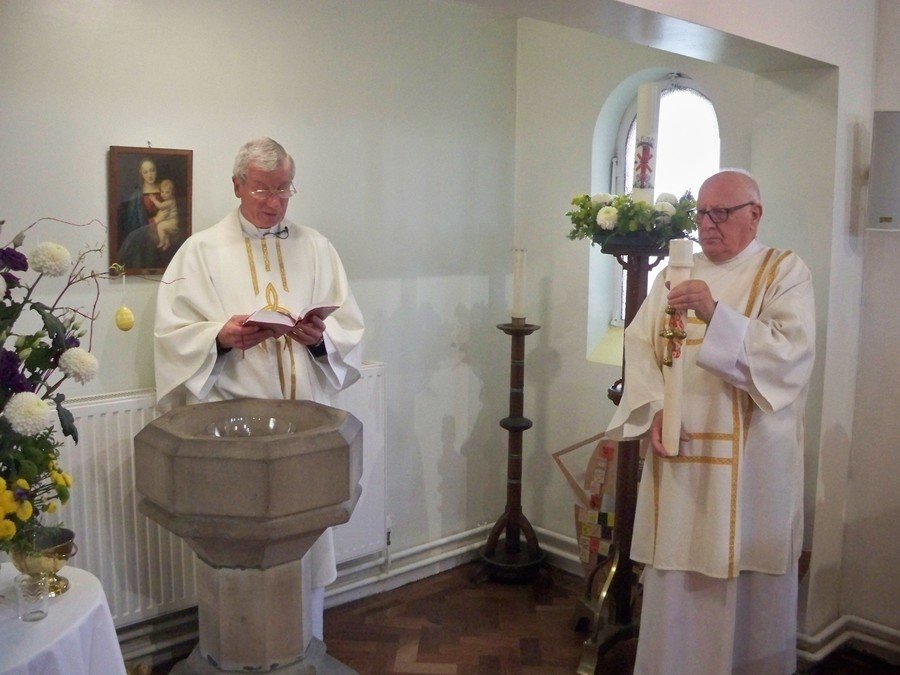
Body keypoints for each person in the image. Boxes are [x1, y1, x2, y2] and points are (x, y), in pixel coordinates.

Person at [153, 136, 365, 640]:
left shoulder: (316, 247)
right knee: (239, 554)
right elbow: (171, 336)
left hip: (304, 428)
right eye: (261, 189)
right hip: (233, 434)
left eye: (284, 189)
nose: (272, 201)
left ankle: (306, 649)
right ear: (236, 186)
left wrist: (319, 339)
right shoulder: (200, 252)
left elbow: (349, 328)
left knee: (305, 552)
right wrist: (221, 338)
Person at [605, 169, 815, 674]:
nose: (708, 224)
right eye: (701, 212)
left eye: (721, 213)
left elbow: (791, 355)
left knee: (747, 588)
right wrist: (656, 409)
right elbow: (640, 345)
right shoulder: (675, 272)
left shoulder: (783, 271)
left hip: (753, 466)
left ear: (754, 214)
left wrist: (716, 312)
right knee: (679, 580)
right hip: (681, 457)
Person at [150, 178, 179, 251]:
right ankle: (167, 243)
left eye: (167, 192)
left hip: (172, 222)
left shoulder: (170, 202)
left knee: (160, 226)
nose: (164, 194)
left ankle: (162, 242)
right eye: (162, 192)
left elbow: (160, 206)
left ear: (172, 193)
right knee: (164, 230)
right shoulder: (170, 200)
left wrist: (154, 200)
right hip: (170, 221)